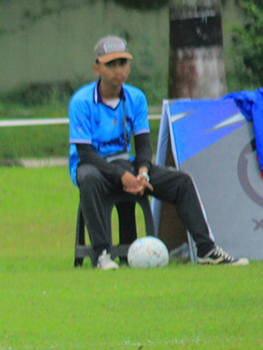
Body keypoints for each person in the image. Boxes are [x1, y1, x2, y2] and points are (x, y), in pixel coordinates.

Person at [69, 35, 248, 269]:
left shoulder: (136, 97)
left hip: (125, 165)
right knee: (89, 178)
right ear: (97, 68)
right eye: (110, 64)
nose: (118, 70)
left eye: (122, 63)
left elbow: (143, 145)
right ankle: (102, 254)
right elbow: (85, 154)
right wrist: (122, 177)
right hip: (93, 166)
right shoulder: (81, 101)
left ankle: (207, 250)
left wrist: (142, 172)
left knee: (181, 182)